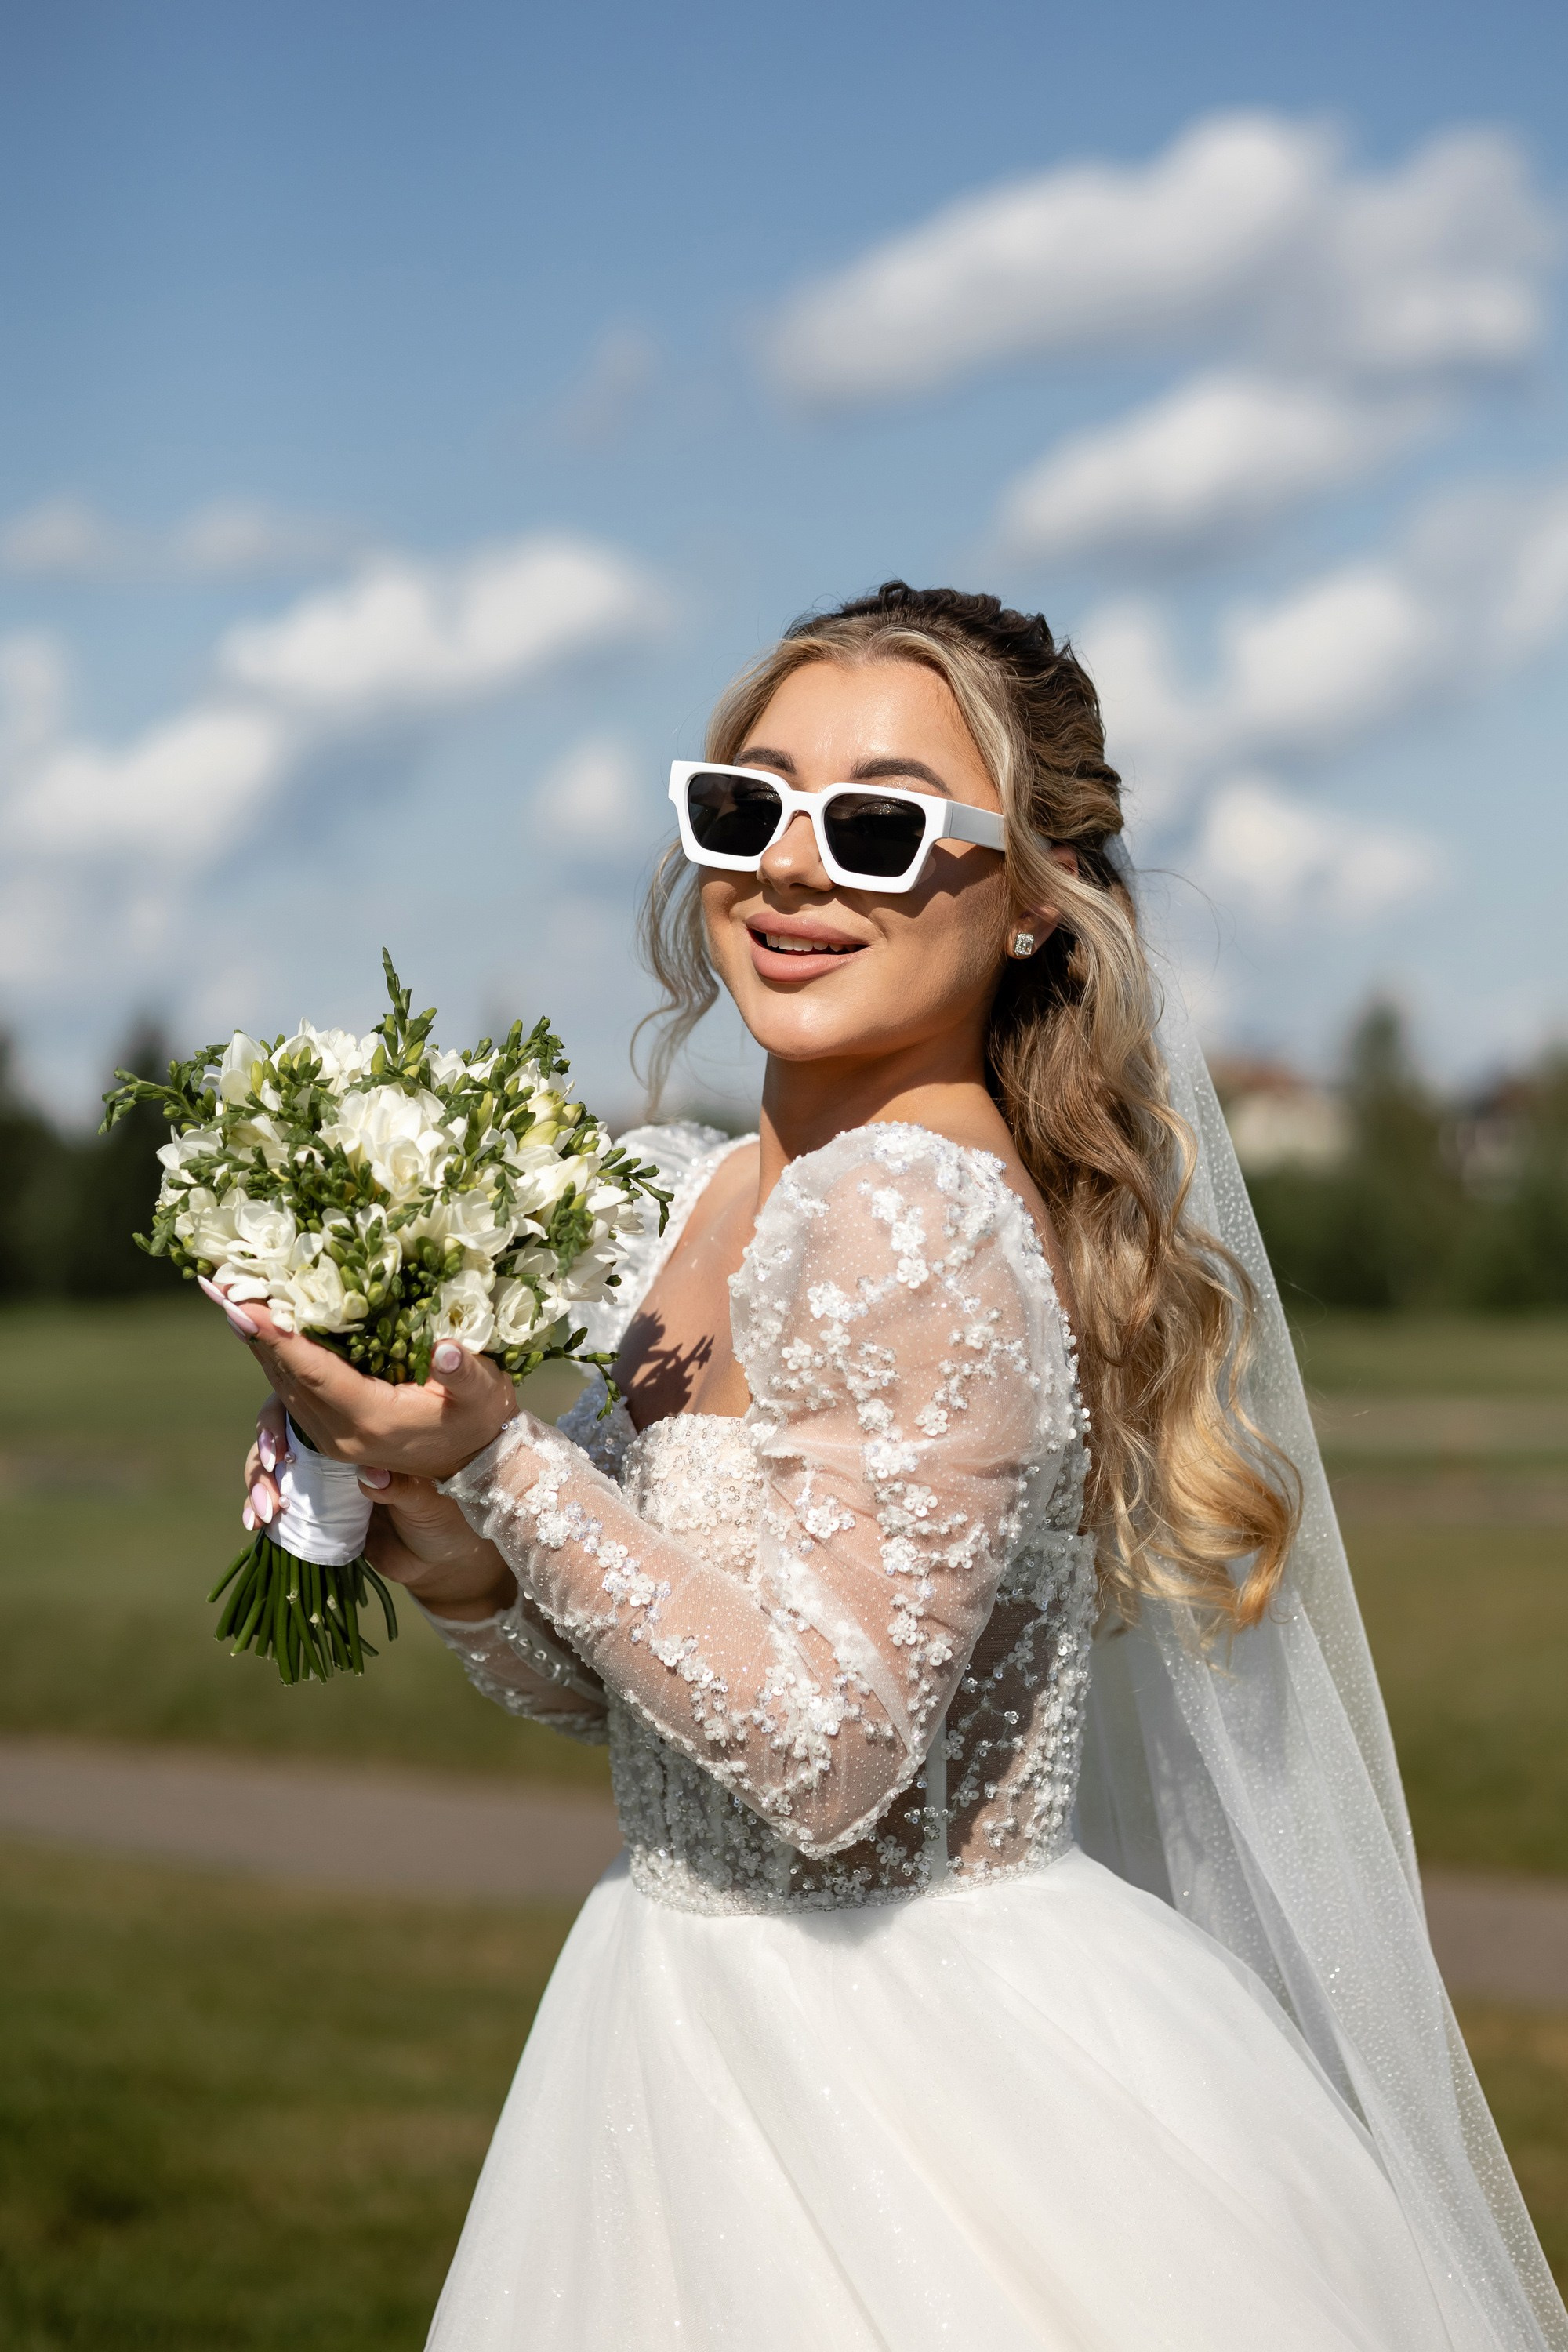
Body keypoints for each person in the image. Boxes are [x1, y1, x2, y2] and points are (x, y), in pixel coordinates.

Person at [220, 586, 1566, 2350]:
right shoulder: (719, 1196)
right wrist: (447, 1534)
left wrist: (501, 1461)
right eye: (742, 805)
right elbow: (646, 1689)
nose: (788, 869)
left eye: (872, 825)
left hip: (911, 2069)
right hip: (679, 2003)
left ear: (1025, 900)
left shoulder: (907, 1207)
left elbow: (831, 1761)